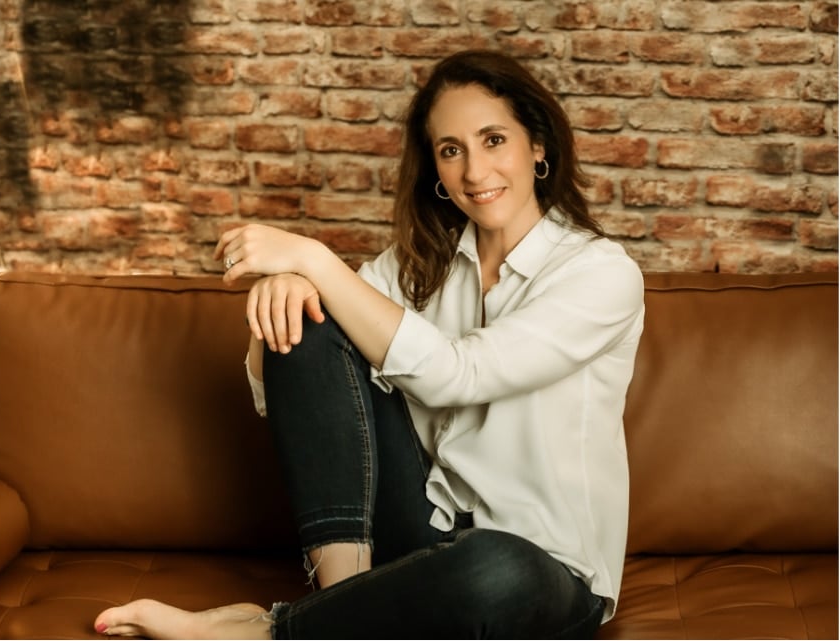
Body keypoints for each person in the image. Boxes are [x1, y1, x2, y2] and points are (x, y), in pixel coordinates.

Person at [94, 49, 645, 639]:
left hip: (542, 572)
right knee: (310, 310)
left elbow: (461, 375)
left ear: (537, 145)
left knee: (495, 565)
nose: (475, 172)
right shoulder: (420, 264)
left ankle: (273, 631)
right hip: (419, 537)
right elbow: (284, 387)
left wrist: (312, 258)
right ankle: (339, 606)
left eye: (493, 140)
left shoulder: (601, 273)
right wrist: (291, 288)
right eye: (451, 150)